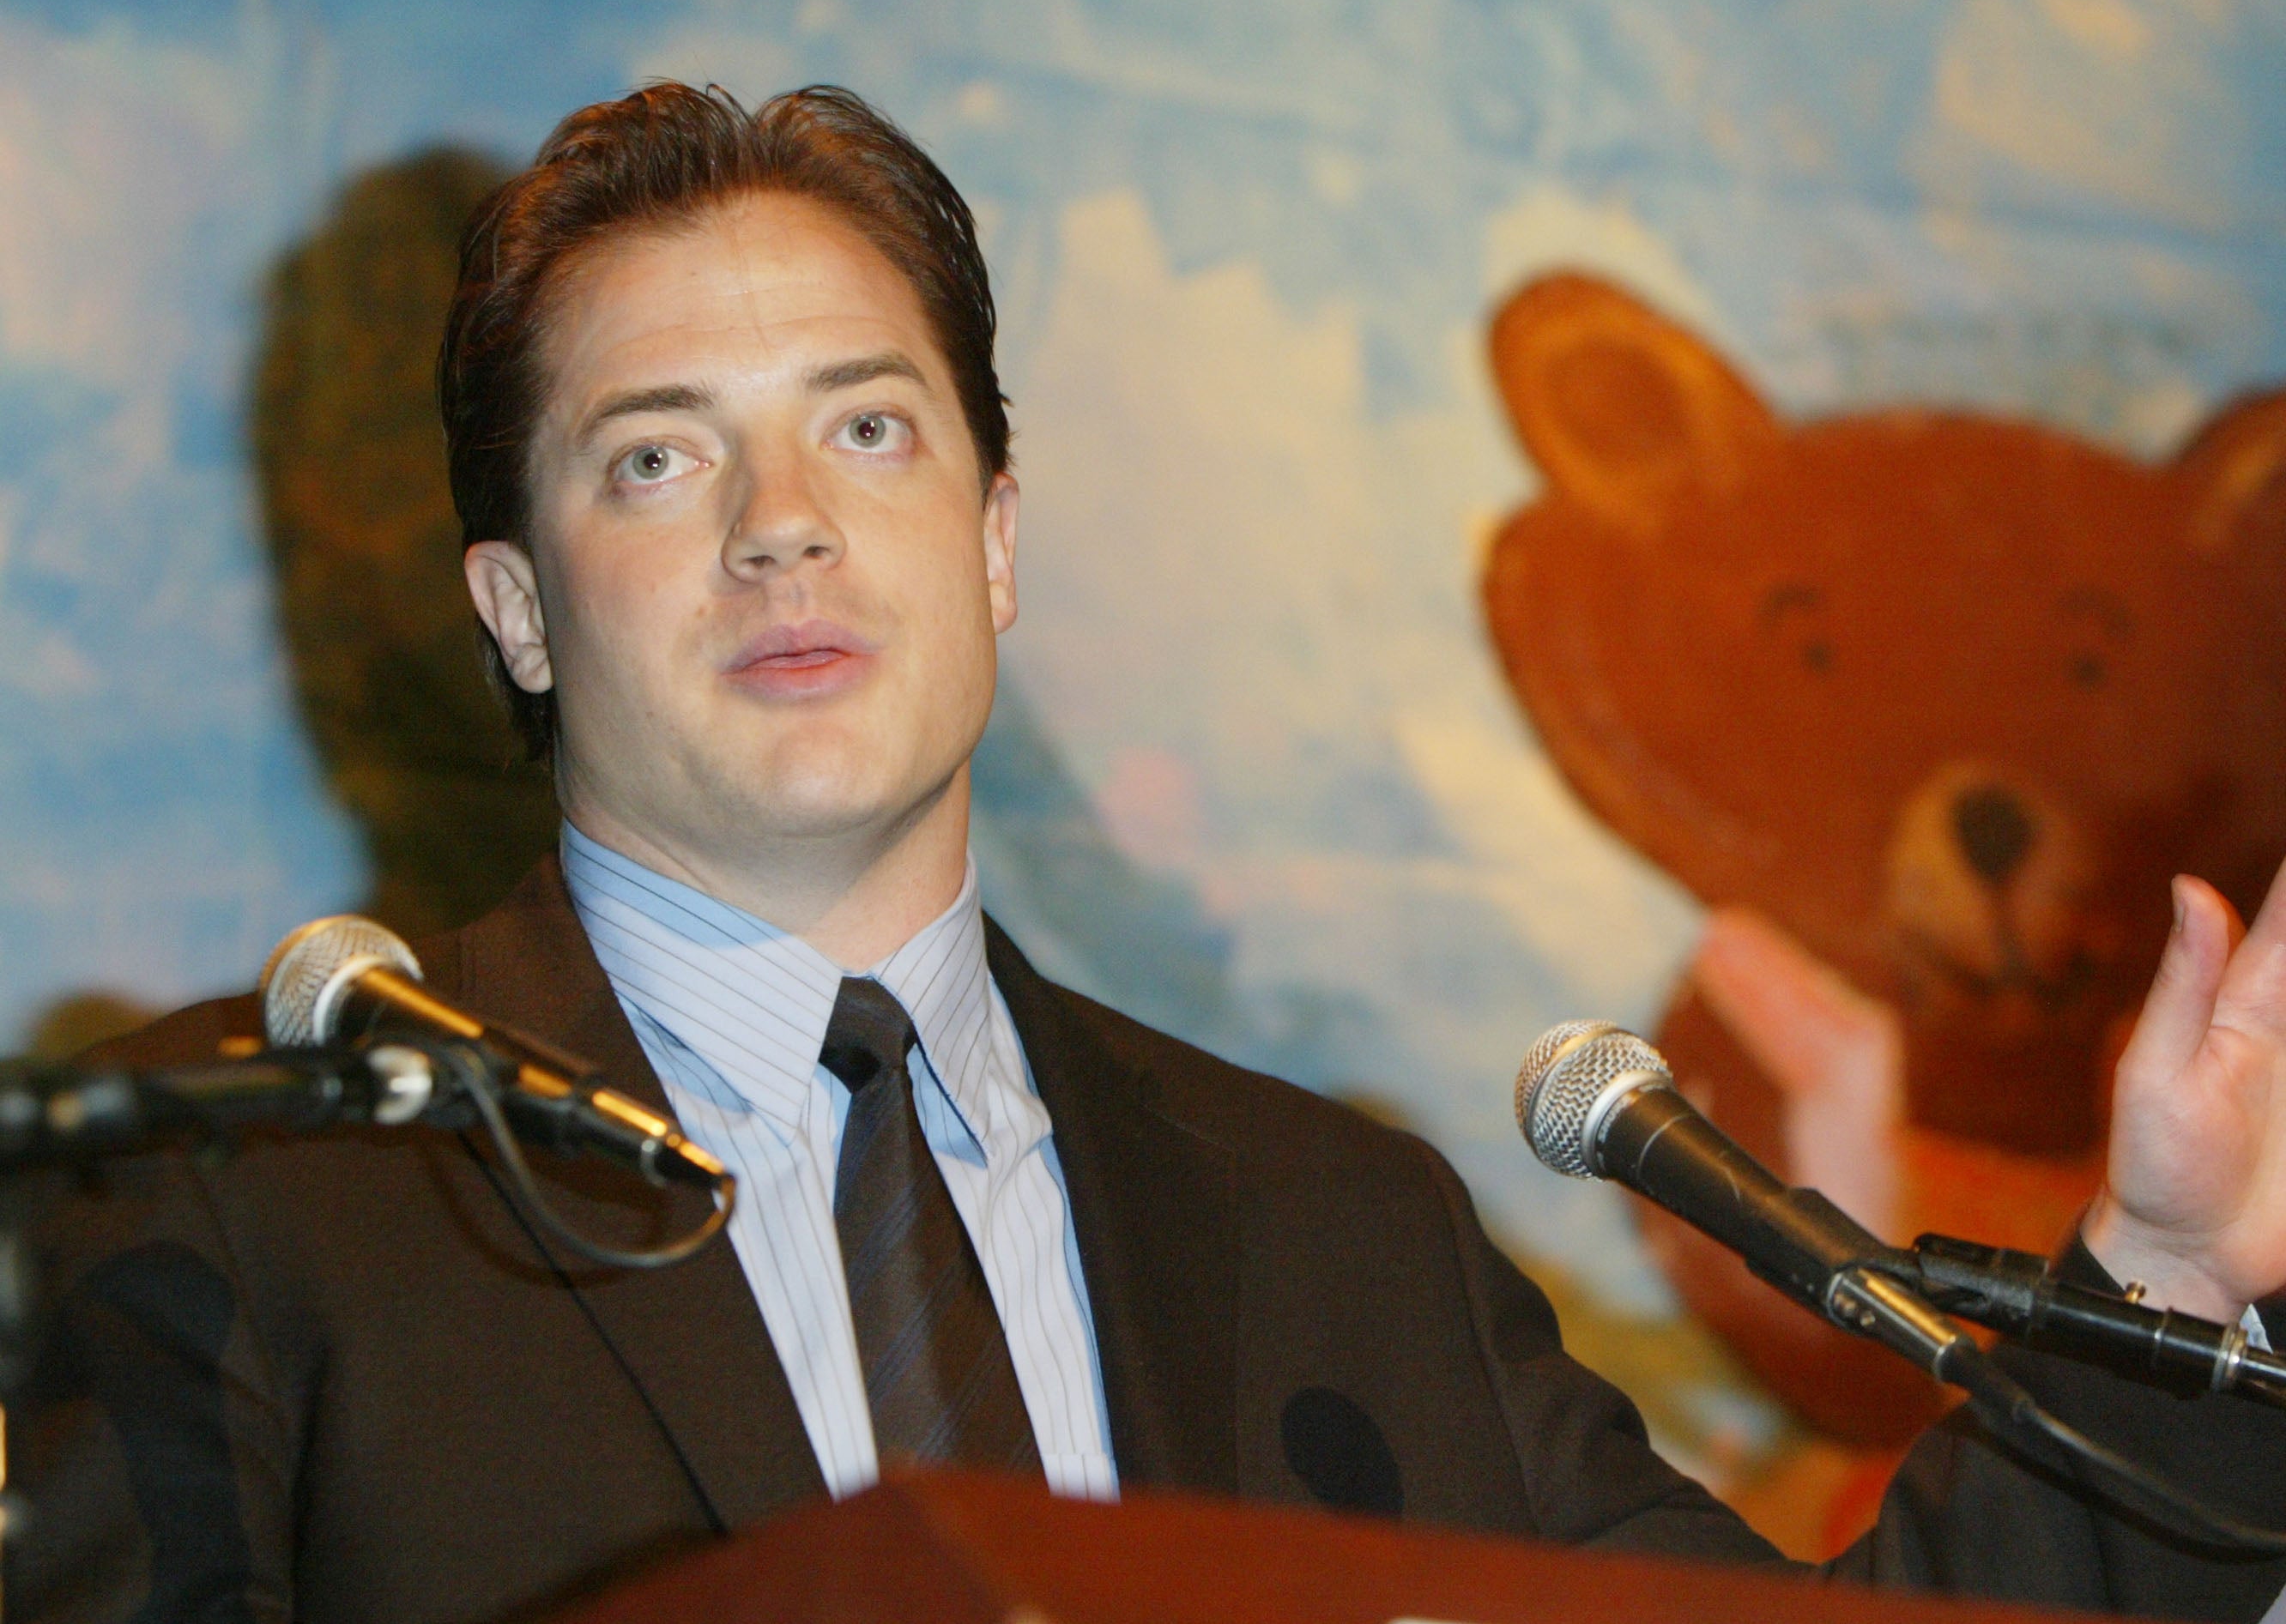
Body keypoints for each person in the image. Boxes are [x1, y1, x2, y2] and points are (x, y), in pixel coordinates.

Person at [9, 82, 2285, 1624]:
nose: (784, 524)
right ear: (515, 608)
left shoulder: (1340, 1237)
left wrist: (2164, 1272)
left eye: (868, 429)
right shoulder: (247, 1195)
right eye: (652, 460)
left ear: (995, 542)